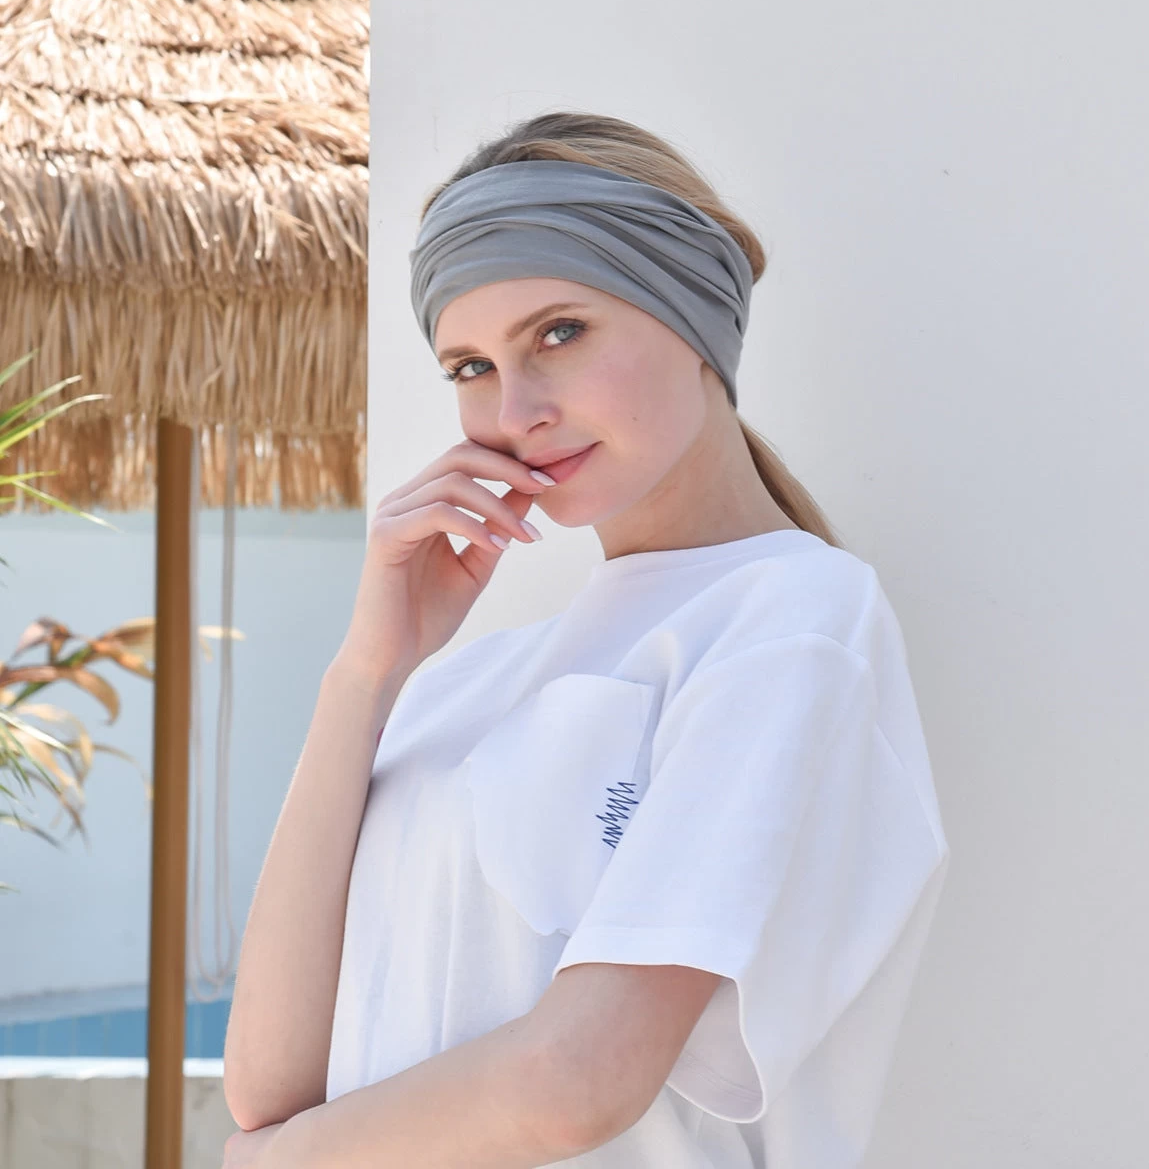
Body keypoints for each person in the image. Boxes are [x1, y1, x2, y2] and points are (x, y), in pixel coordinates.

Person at [223, 111, 951, 1169]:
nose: (515, 409)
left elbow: (577, 1083)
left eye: (559, 334)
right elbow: (270, 1081)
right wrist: (367, 672)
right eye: (469, 367)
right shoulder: (464, 683)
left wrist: (275, 1162)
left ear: (695, 319)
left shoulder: (794, 620)